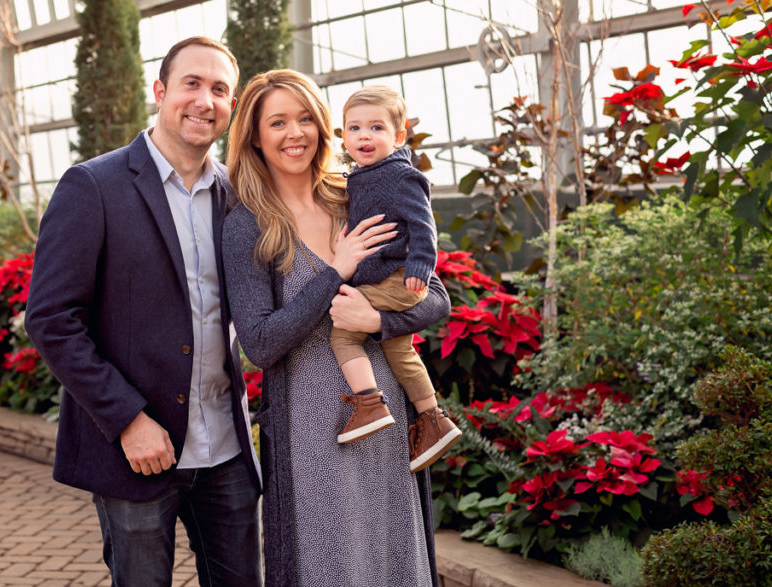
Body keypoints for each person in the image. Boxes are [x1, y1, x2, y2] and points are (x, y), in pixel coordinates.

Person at [25, 36, 262, 587]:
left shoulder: (237, 195)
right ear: (160, 91)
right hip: (138, 450)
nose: (205, 100)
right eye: (192, 84)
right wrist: (127, 420)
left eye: (220, 90)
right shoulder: (94, 186)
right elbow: (52, 319)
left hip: (225, 448)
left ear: (232, 107)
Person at [223, 69, 450, 587]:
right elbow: (259, 344)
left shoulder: (356, 193)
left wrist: (379, 320)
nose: (294, 133)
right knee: (332, 568)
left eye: (305, 118)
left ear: (325, 128)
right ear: (255, 135)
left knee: (396, 562)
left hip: (388, 420)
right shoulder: (249, 224)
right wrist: (335, 273)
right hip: (313, 432)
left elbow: (435, 296)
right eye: (277, 122)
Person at [331, 85, 462, 473]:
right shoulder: (362, 175)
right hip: (387, 274)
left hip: (399, 277)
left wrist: (421, 268)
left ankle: (369, 402)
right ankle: (432, 419)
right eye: (353, 129)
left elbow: (424, 227)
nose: (364, 137)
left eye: (376, 127)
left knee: (343, 333)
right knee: (400, 350)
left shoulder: (402, 176)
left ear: (398, 135)